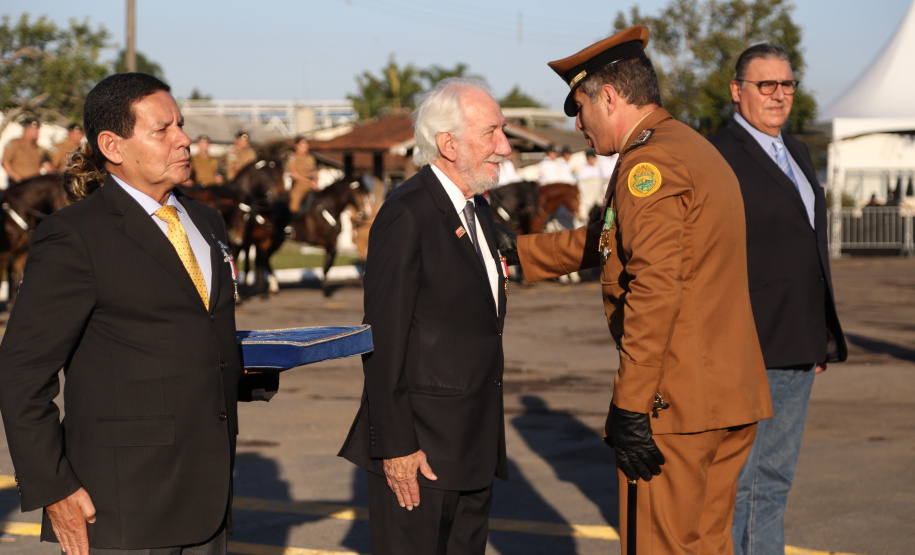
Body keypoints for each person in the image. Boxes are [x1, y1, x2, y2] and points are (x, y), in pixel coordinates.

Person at [497, 26, 772, 553]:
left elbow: (654, 285)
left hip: (676, 402)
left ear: (609, 96)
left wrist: (631, 404)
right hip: (724, 396)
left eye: (580, 108)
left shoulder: (648, 163)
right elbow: (616, 240)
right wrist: (521, 253)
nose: (577, 124)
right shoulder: (688, 146)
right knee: (707, 546)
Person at [0, 73, 278, 554]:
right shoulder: (75, 235)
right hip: (120, 505)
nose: (183, 139)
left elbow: (191, 332)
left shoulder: (207, 221)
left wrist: (248, 368)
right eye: (162, 129)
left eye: (181, 125)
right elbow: (23, 373)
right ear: (113, 146)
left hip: (208, 495)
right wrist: (53, 486)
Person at [339, 78, 511, 555]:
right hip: (421, 453)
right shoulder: (407, 214)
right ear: (449, 144)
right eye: (492, 132)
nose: (505, 146)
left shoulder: (478, 209)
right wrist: (396, 447)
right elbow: (383, 341)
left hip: (473, 446)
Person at [708, 44, 847, 555]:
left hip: (798, 342)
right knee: (743, 482)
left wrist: (820, 334)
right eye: (765, 84)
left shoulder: (798, 152)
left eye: (786, 84)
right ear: (736, 90)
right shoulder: (717, 156)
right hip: (748, 347)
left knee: (775, 481)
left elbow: (807, 249)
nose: (778, 94)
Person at [2, 117, 45, 186]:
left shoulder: (38, 148)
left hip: (34, 186)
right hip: (18, 185)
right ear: (27, 129)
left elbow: (46, 165)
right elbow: (5, 162)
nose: (38, 132)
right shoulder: (15, 143)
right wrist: (18, 179)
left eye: (38, 130)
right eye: (35, 129)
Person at [286, 136, 318, 213]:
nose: (305, 146)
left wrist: (316, 182)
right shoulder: (292, 157)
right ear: (296, 146)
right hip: (299, 184)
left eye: (306, 144)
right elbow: (294, 174)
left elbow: (315, 170)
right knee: (294, 205)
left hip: (311, 184)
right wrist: (308, 181)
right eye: (303, 144)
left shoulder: (311, 157)